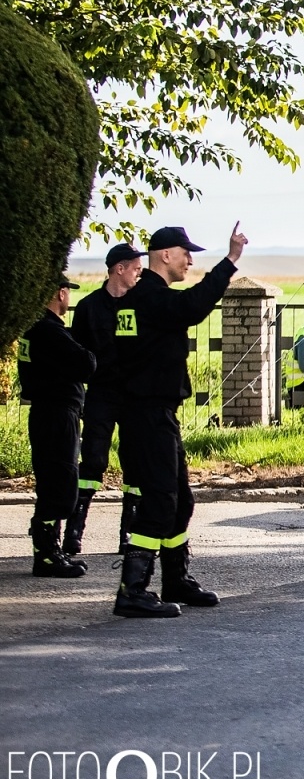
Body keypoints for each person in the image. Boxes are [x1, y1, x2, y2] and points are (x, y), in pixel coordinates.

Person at [112, 223, 247, 618]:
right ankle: (132, 590)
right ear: (165, 255)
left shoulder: (143, 299)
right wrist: (229, 261)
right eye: (185, 253)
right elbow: (192, 307)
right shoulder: (149, 297)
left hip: (155, 413)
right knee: (159, 500)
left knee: (179, 499)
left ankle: (175, 579)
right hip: (146, 412)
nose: (189, 260)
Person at [64, 242, 146, 556]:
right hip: (101, 394)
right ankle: (74, 531)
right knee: (93, 459)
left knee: (134, 461)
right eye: (135, 269)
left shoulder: (141, 304)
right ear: (119, 269)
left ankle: (129, 533)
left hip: (134, 395)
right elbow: (78, 352)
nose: (139, 274)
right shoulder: (89, 307)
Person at [18, 276, 97, 577]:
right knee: (60, 483)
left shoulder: (34, 329)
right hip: (57, 414)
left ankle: (50, 550)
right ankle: (47, 555)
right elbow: (85, 364)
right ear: (60, 294)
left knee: (53, 480)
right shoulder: (49, 330)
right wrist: (87, 347)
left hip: (48, 412)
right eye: (67, 292)